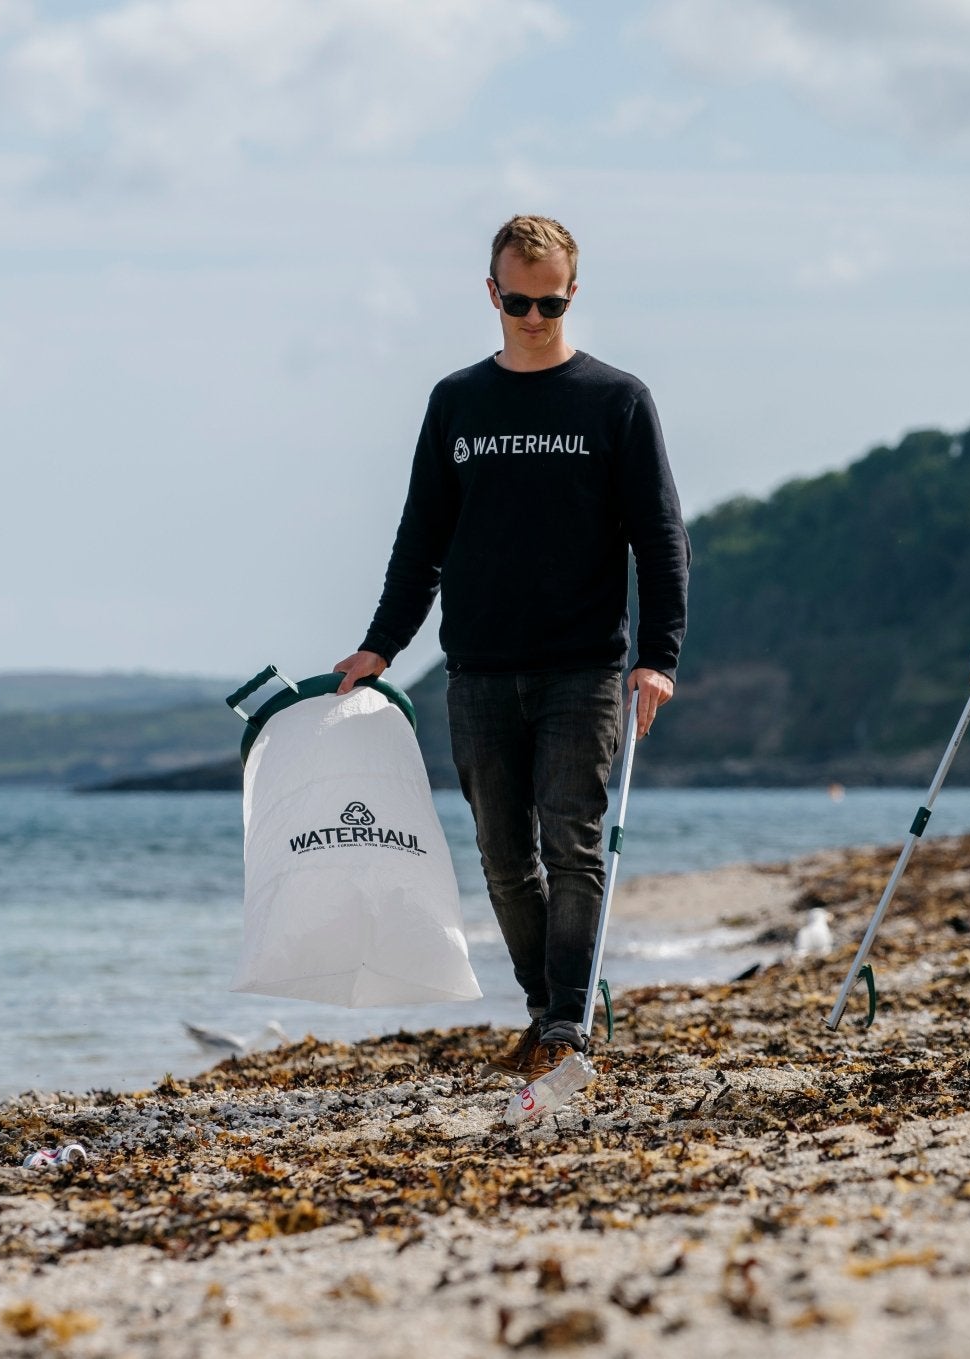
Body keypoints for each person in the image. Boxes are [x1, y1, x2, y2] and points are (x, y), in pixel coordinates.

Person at [333, 214, 689, 1087]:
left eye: (552, 301)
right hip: (480, 671)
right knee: (502, 856)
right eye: (520, 300)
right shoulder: (457, 401)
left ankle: (567, 1023)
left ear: (575, 293)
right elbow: (422, 538)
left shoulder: (617, 400)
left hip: (584, 667)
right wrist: (381, 645)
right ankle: (548, 1007)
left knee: (572, 843)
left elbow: (661, 535)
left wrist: (660, 654)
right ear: (492, 293)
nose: (535, 316)